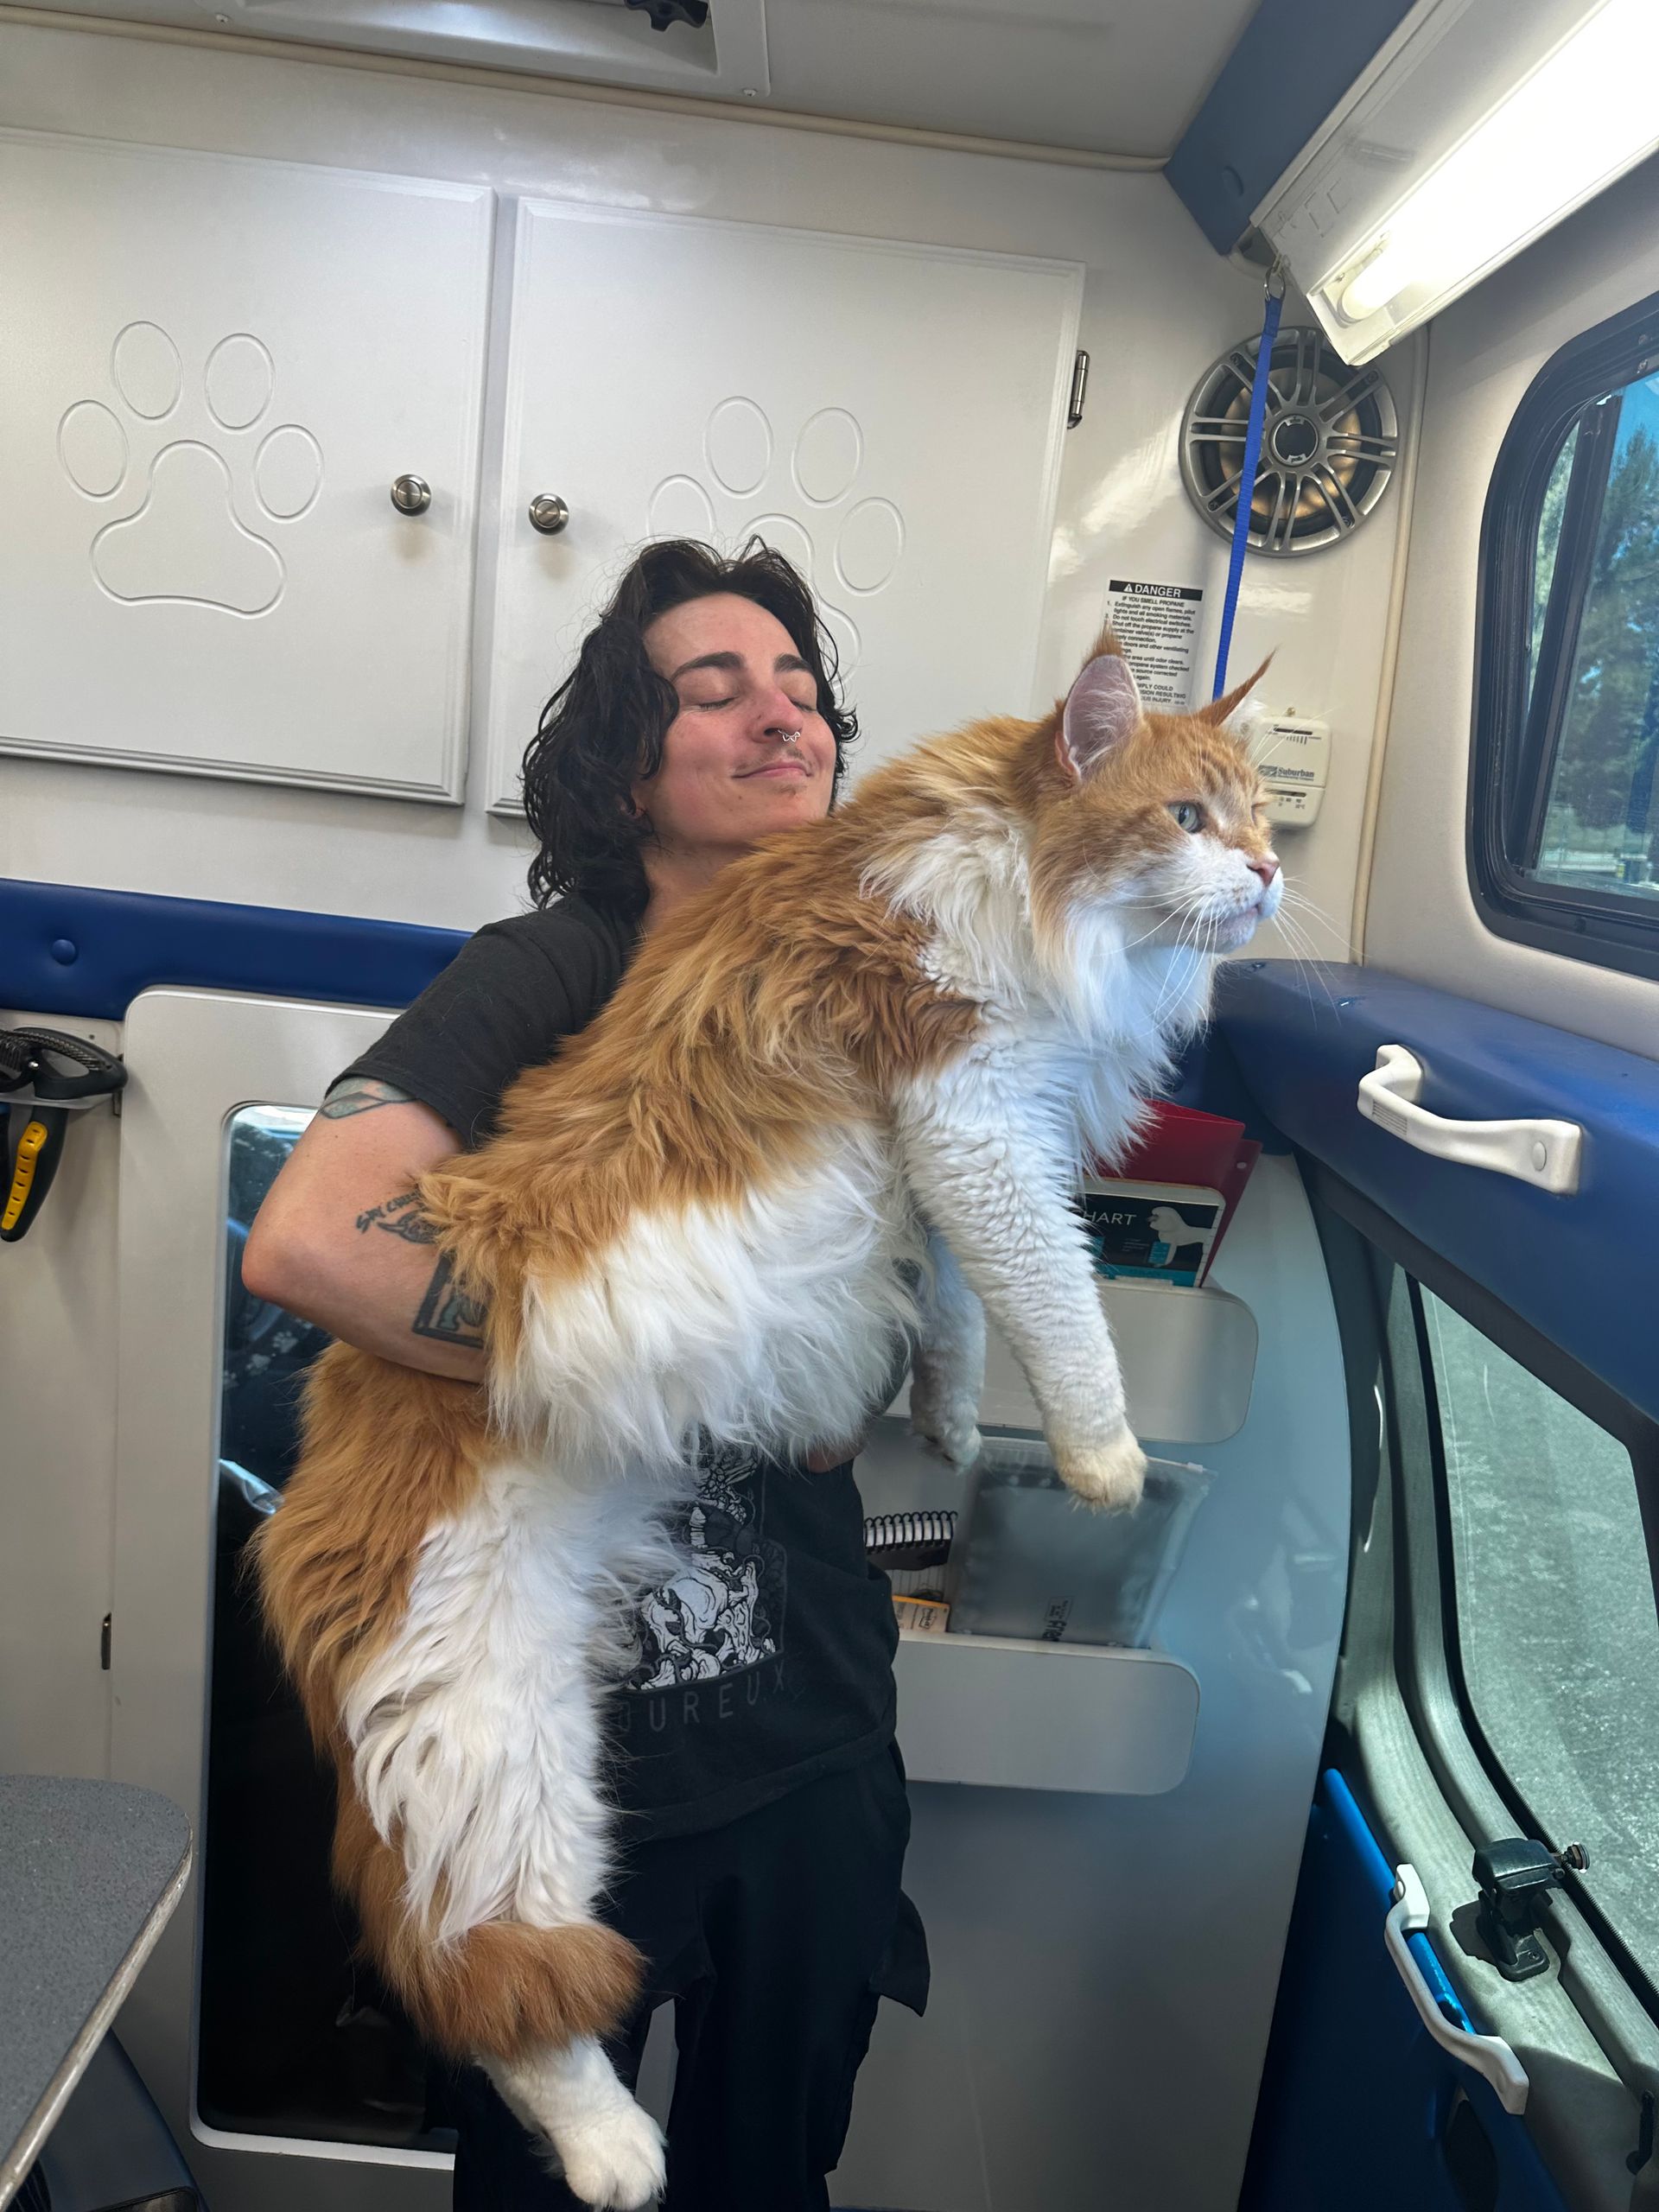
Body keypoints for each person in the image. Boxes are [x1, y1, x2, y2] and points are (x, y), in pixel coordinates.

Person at [244, 537, 927, 2210]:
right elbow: (313, 1240)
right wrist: (626, 1352)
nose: (784, 717)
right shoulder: (550, 969)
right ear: (632, 768)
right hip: (595, 1749)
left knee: (778, 2168)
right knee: (555, 2181)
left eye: (801, 686)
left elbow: (856, 1357)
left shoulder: (871, 971)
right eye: (717, 690)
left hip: (820, 1732)